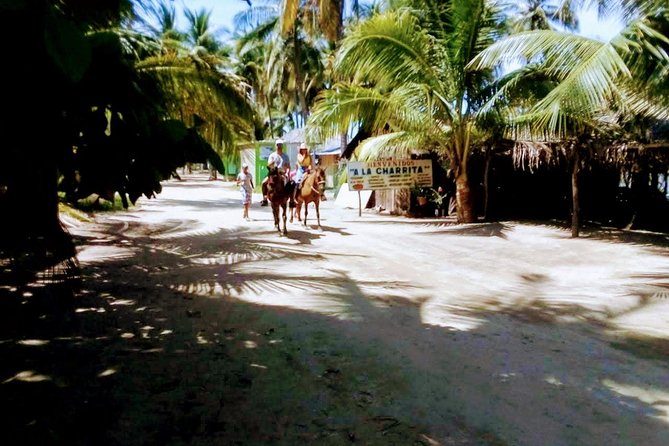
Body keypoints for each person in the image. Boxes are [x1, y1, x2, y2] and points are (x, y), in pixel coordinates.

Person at [261, 139, 290, 206]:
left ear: (282, 146)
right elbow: (268, 165)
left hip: (282, 173)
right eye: (278, 145)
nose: (279, 146)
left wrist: (286, 168)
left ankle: (290, 198)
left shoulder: (285, 156)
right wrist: (272, 163)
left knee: (289, 183)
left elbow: (288, 166)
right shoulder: (272, 155)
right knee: (263, 183)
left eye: (280, 145)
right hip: (273, 173)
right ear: (275, 146)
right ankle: (265, 198)